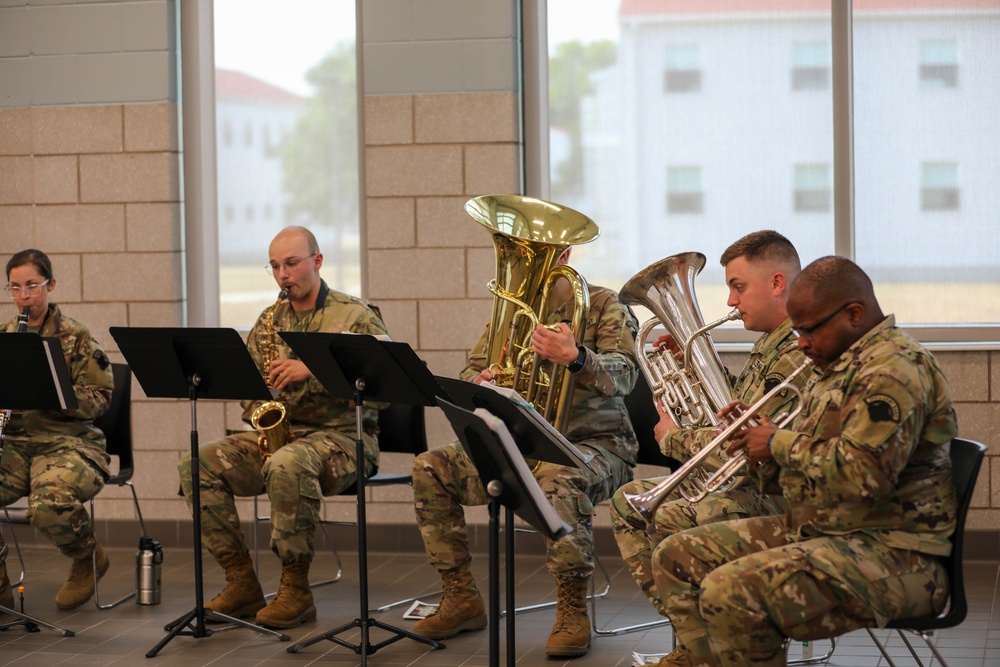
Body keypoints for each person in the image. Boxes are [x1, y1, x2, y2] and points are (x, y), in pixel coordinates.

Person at [651, 256, 957, 667]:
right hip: (829, 528)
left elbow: (863, 476)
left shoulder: (893, 369)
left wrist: (777, 442)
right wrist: (755, 443)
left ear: (854, 314)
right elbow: (804, 471)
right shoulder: (837, 366)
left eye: (810, 329)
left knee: (730, 591)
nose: (801, 342)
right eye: (797, 330)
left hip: (896, 552)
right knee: (676, 556)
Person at [411, 248, 639, 658]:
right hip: (521, 440)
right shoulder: (512, 311)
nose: (522, 262)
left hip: (598, 445)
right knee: (431, 467)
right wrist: (479, 380)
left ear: (564, 252)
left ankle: (572, 610)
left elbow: (627, 376)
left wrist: (577, 358)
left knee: (560, 478)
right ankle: (460, 596)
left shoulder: (604, 304)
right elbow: (470, 371)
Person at [177, 226, 389, 629]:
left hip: (344, 439)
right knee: (195, 463)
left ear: (318, 261)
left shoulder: (356, 315)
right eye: (274, 266)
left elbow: (381, 392)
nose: (282, 275)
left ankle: (296, 589)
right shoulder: (269, 319)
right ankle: (241, 582)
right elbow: (248, 392)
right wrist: (263, 397)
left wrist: (314, 368)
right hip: (281, 435)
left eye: (291, 264)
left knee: (287, 464)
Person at [610, 231, 808, 627]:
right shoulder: (770, 346)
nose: (731, 301)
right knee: (626, 501)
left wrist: (674, 438)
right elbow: (734, 410)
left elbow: (744, 447)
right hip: (745, 487)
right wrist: (694, 366)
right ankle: (695, 631)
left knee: (673, 517)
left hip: (775, 494)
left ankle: (704, 634)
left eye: (738, 287)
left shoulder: (797, 353)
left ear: (776, 283)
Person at [0, 249, 114, 611]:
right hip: (16, 443)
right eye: (15, 288)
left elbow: (101, 399)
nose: (24, 297)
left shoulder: (76, 337)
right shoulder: (4, 336)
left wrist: (57, 393)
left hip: (69, 443)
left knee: (48, 504)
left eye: (32, 286)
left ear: (51, 285)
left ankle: (86, 557)